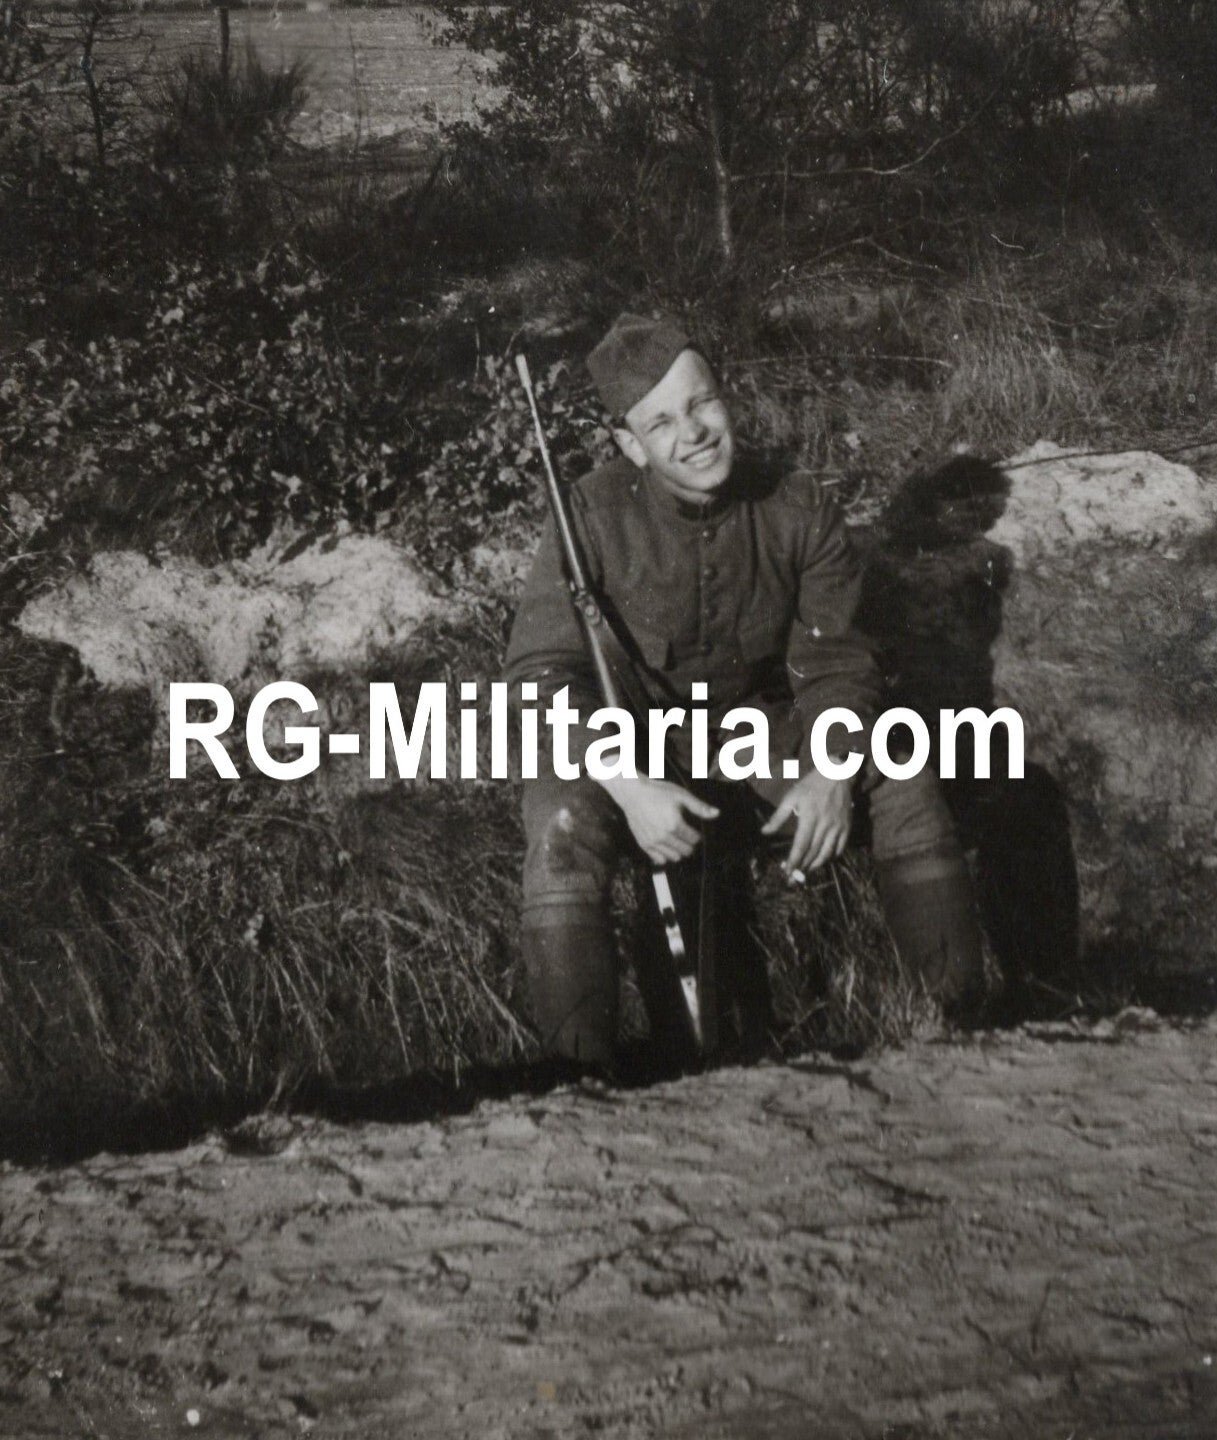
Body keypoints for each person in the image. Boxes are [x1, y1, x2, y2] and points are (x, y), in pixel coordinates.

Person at [504, 313, 983, 1066]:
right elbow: (540, 676)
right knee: (561, 821)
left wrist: (830, 770)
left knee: (900, 772)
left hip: (753, 733)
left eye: (700, 404)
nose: (691, 432)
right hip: (629, 748)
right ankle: (574, 1086)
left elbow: (838, 664)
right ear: (630, 446)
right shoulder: (587, 517)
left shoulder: (798, 507)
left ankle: (959, 1042)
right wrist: (627, 784)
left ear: (725, 400)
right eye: (660, 423)